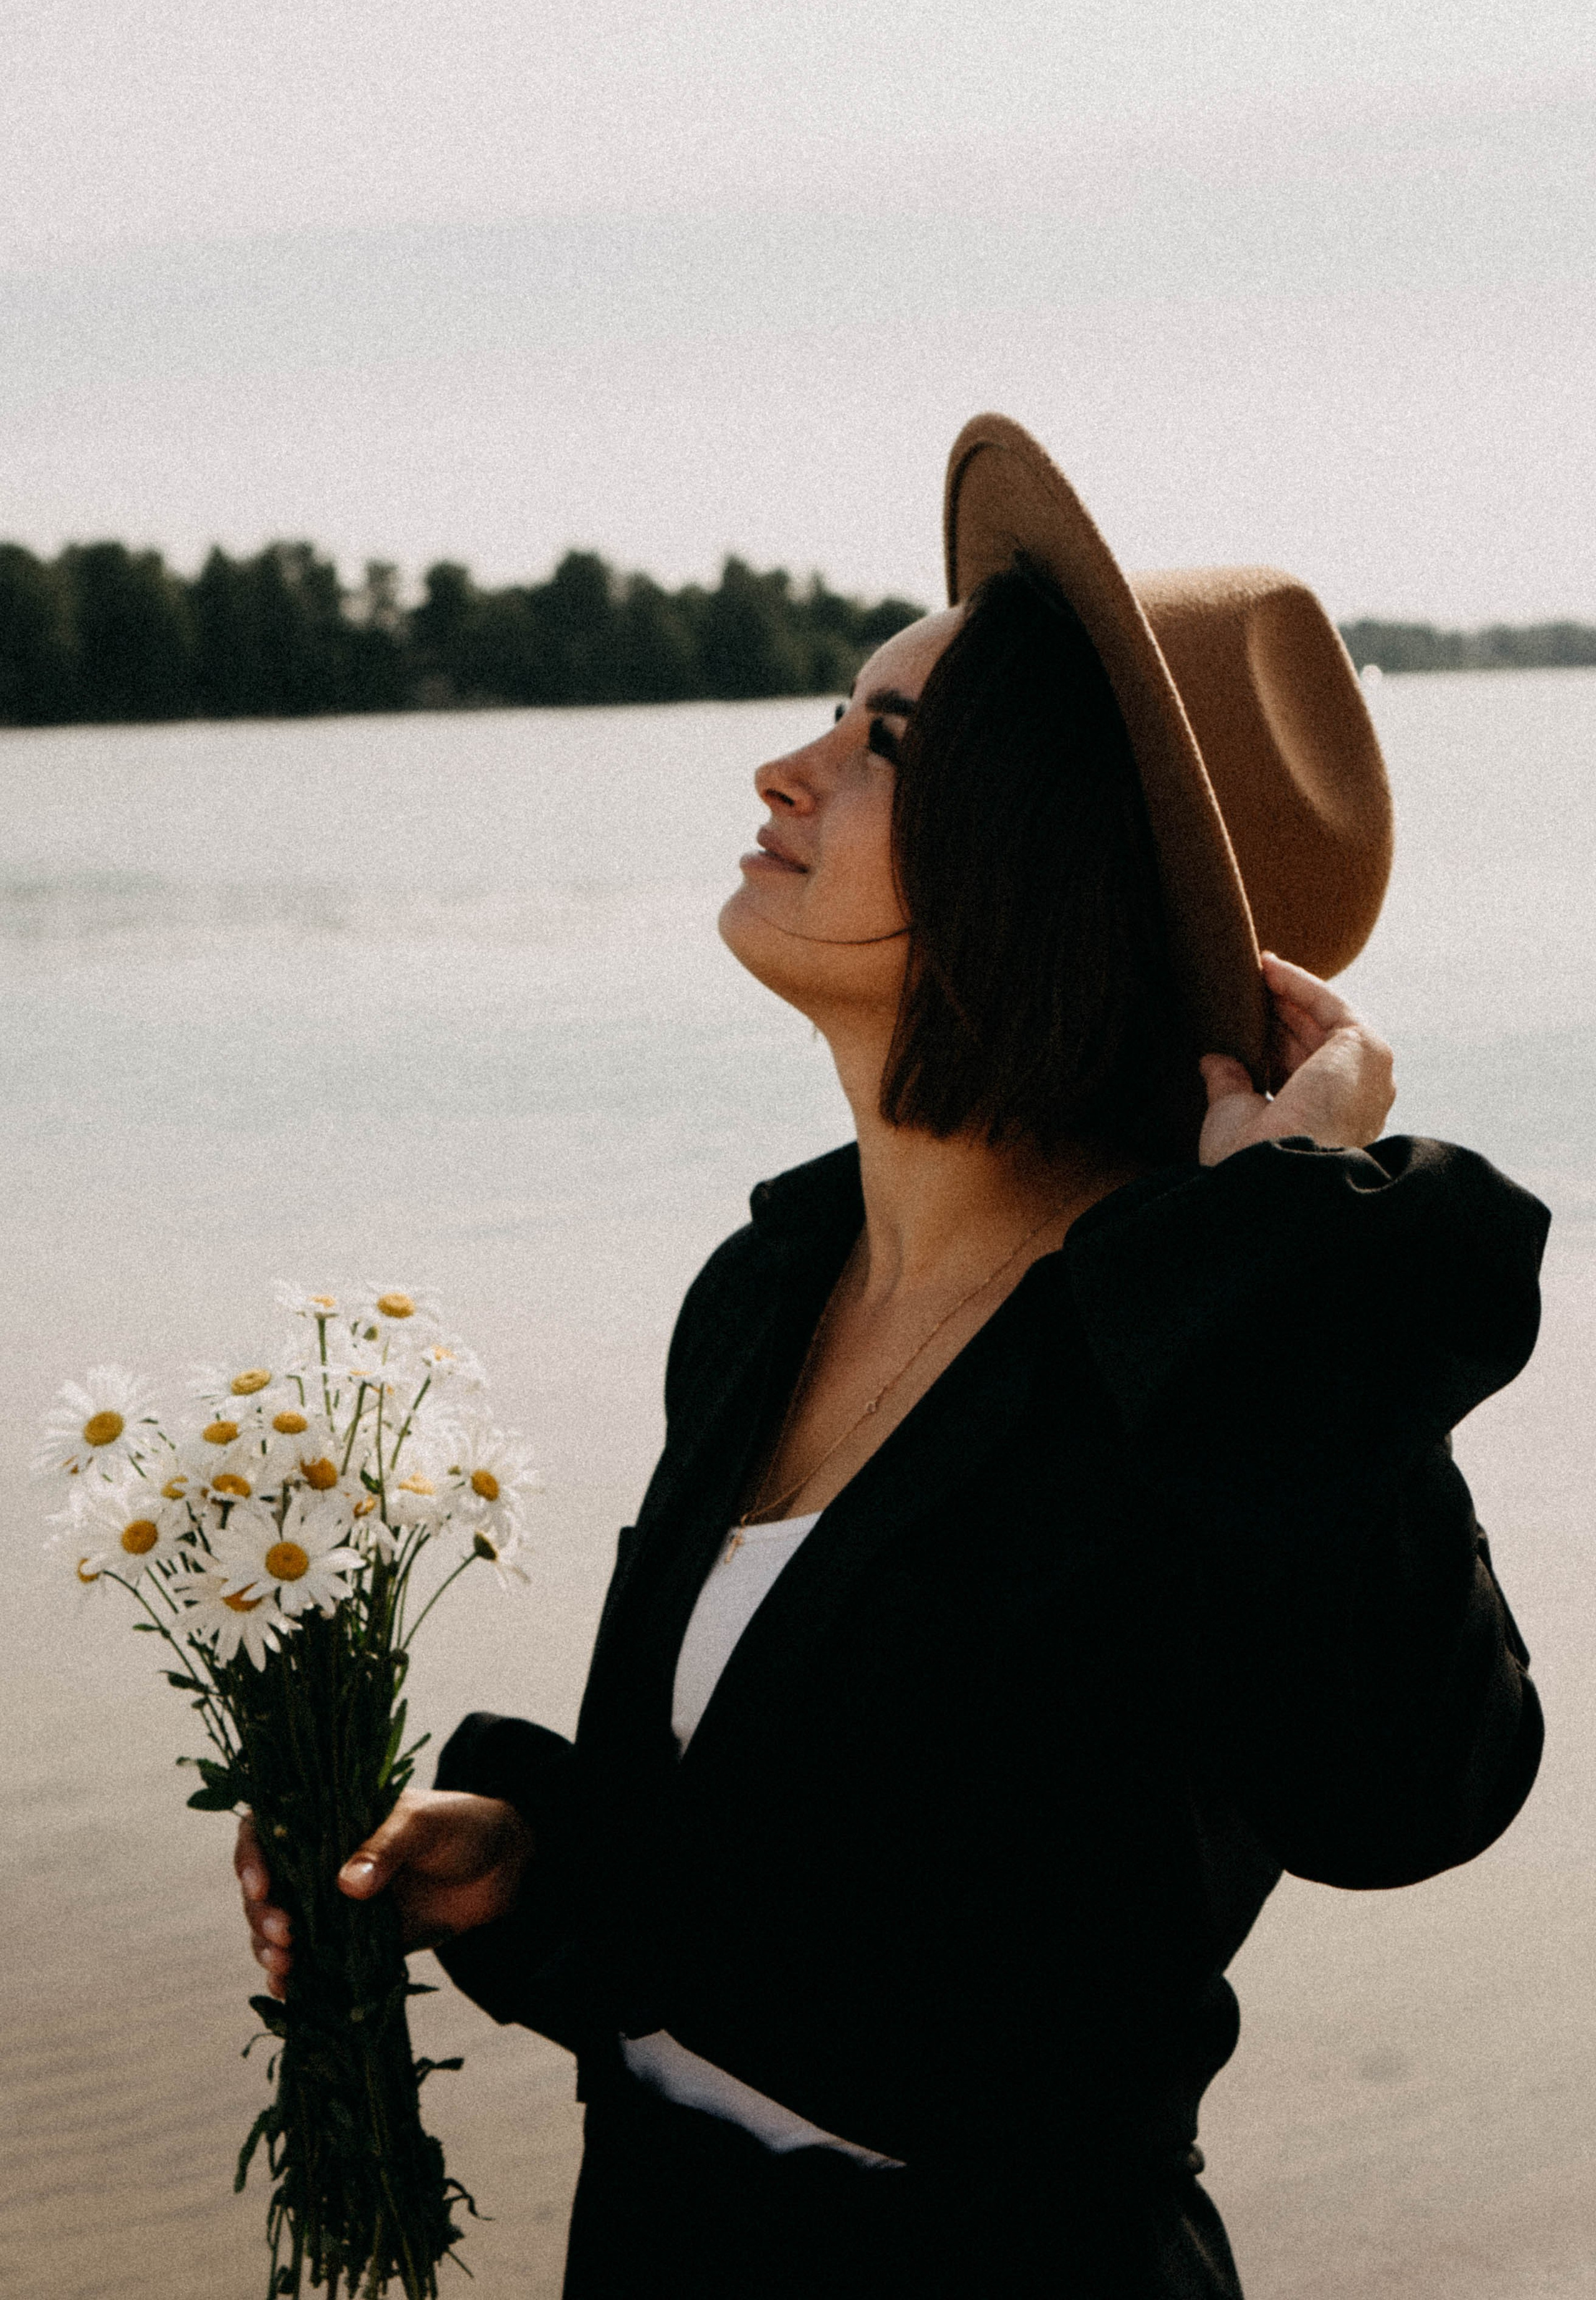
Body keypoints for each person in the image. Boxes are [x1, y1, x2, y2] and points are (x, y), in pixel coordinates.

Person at [236, 416, 1547, 2298]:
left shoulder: (1200, 1344)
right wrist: (535, 1865)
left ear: (1052, 858)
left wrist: (1277, 1235)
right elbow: (833, 1880)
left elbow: (1412, 1794)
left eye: (891, 747)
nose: (790, 766)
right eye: (837, 715)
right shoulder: (767, 1292)